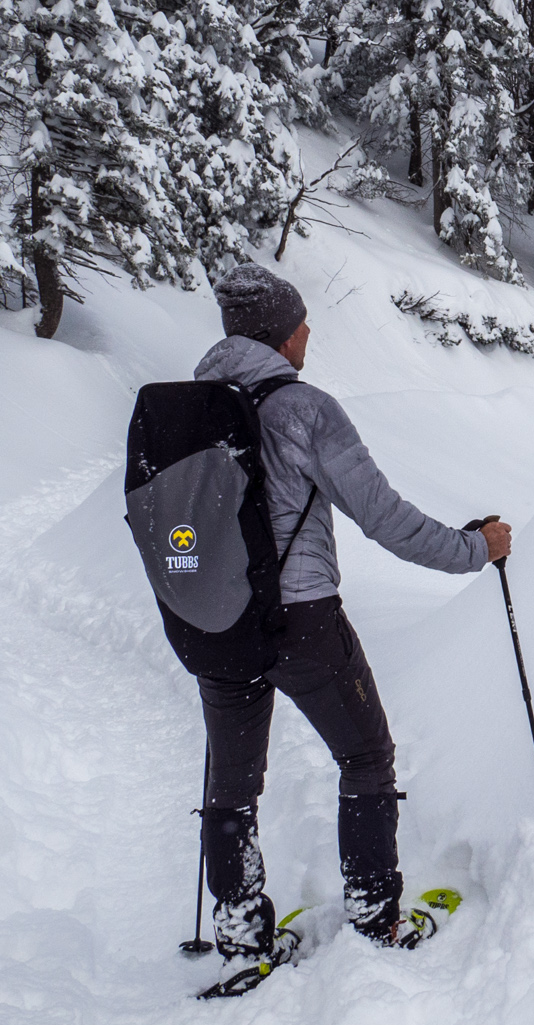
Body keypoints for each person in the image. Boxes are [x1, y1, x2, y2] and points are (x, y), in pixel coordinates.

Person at [191, 262, 511, 960]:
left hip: (211, 622)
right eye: (302, 321)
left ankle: (241, 934)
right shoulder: (304, 408)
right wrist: (474, 551)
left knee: (232, 786)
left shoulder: (190, 406)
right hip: (301, 621)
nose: (310, 332)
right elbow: (385, 519)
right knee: (367, 758)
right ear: (279, 333)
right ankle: (374, 919)